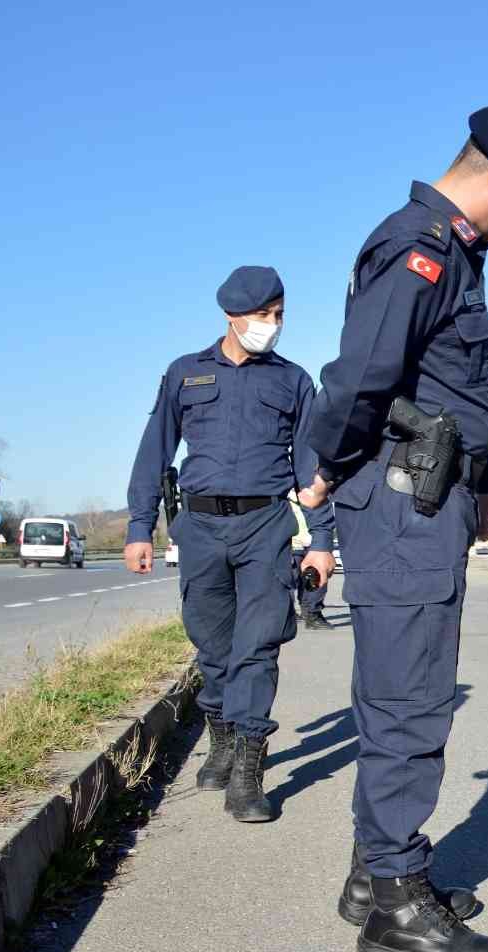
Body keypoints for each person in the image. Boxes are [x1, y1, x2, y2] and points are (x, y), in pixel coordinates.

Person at [299, 105, 488, 952]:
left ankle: (371, 877)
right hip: (404, 496)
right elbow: (362, 377)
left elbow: (458, 386)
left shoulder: (455, 252)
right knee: (410, 697)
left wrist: (485, 482)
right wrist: (334, 466)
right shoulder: (420, 245)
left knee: (395, 689)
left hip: (431, 489)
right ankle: (397, 905)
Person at [125, 266, 336, 823]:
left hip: (265, 525)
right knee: (211, 643)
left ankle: (247, 766)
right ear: (232, 316)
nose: (273, 326)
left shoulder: (292, 381)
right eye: (264, 316)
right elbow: (155, 451)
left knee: (258, 645)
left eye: (280, 315)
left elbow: (311, 469)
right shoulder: (184, 374)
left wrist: (322, 540)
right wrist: (139, 527)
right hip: (198, 527)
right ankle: (219, 729)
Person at [289, 492, 331, 630]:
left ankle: (312, 614)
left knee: (314, 579)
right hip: (291, 543)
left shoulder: (316, 491)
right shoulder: (282, 493)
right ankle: (288, 611)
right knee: (289, 580)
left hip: (314, 543)